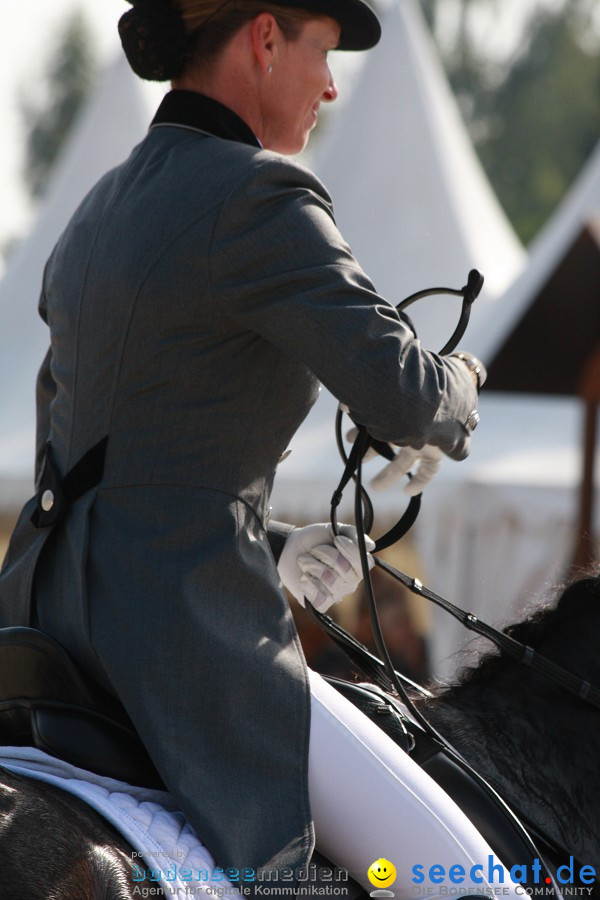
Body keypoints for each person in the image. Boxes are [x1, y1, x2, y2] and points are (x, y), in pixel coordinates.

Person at [0, 0, 523, 896]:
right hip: (181, 641)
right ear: (266, 36)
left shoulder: (94, 213)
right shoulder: (259, 193)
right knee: (469, 879)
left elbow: (92, 459)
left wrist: (274, 542)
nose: (329, 86)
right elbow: (405, 393)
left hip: (44, 622)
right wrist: (467, 381)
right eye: (323, 53)